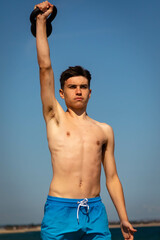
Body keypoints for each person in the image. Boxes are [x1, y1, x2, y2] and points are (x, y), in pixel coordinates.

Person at [35, 1, 137, 239]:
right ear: (62, 93)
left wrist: (123, 217)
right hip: (59, 210)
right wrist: (41, 22)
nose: (78, 91)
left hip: (95, 212)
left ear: (90, 92)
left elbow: (111, 176)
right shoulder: (55, 118)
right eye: (72, 87)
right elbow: (45, 67)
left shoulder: (104, 131)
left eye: (83, 87)